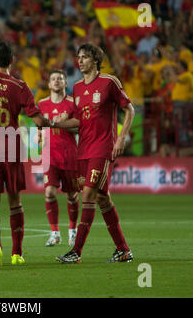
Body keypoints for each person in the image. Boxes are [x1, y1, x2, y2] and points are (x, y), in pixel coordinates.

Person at [0, 41, 58, 266]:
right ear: (12, 60)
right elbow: (38, 119)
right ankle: (16, 254)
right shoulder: (19, 86)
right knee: (15, 201)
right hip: (12, 148)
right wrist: (53, 123)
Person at [53, 43, 135, 264]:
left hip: (102, 147)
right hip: (84, 149)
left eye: (85, 57)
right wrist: (57, 123)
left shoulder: (109, 82)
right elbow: (79, 120)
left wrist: (121, 137)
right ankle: (123, 250)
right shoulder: (77, 87)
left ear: (96, 60)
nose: (80, 61)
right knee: (102, 197)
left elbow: (130, 109)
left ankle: (76, 251)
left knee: (87, 195)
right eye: (78, 57)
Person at [37, 69, 80, 247]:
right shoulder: (41, 104)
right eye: (53, 79)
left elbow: (79, 128)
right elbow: (40, 126)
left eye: (60, 79)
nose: (56, 81)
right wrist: (38, 134)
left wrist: (60, 123)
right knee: (49, 193)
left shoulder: (72, 104)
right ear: (49, 84)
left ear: (65, 83)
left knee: (71, 195)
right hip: (49, 155)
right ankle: (54, 233)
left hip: (69, 154)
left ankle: (73, 230)